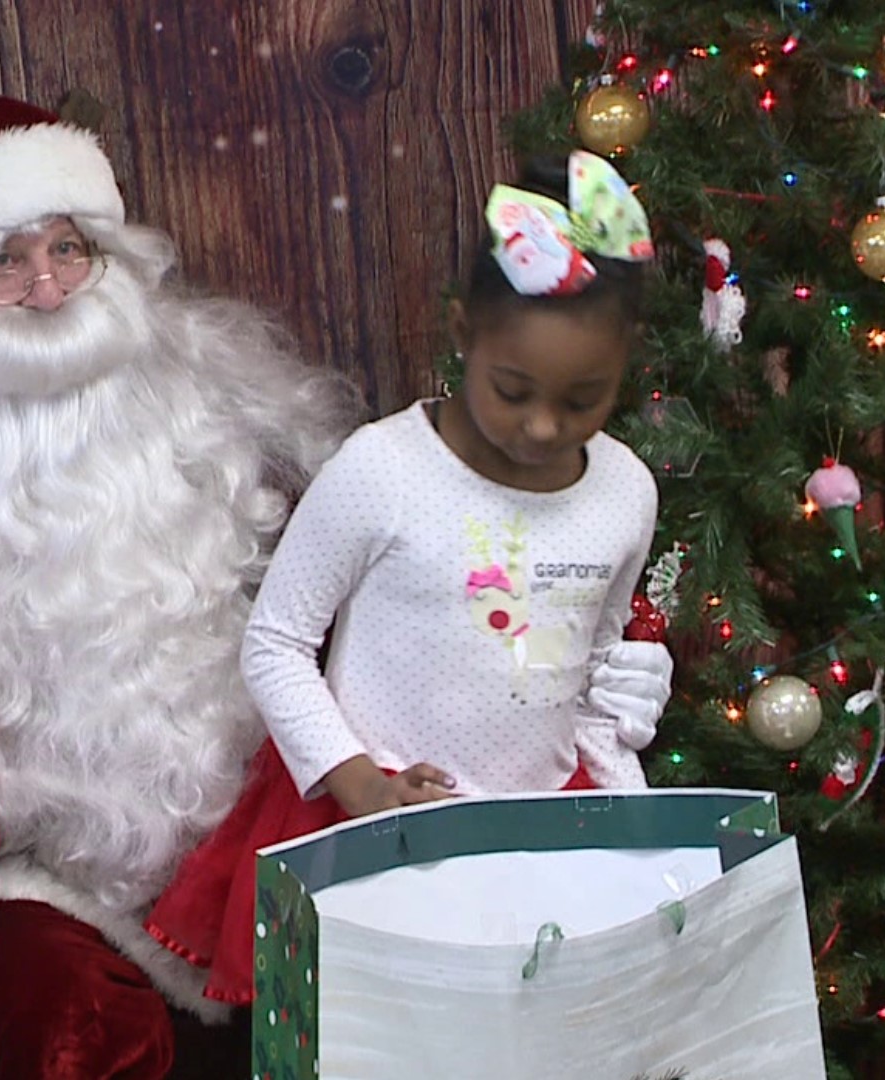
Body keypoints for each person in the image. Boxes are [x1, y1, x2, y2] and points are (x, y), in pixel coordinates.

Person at [0, 93, 357, 1076]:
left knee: (364, 990)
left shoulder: (227, 429)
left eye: (69, 249)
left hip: (242, 854)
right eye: (2, 263)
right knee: (63, 1022)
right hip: (17, 880)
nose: (50, 289)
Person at [146, 150, 676, 1007]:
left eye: (583, 401)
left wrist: (628, 794)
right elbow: (277, 643)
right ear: (463, 331)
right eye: (512, 391)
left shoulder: (624, 493)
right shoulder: (382, 470)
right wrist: (360, 784)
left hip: (537, 836)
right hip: (373, 825)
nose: (543, 426)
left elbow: (591, 667)